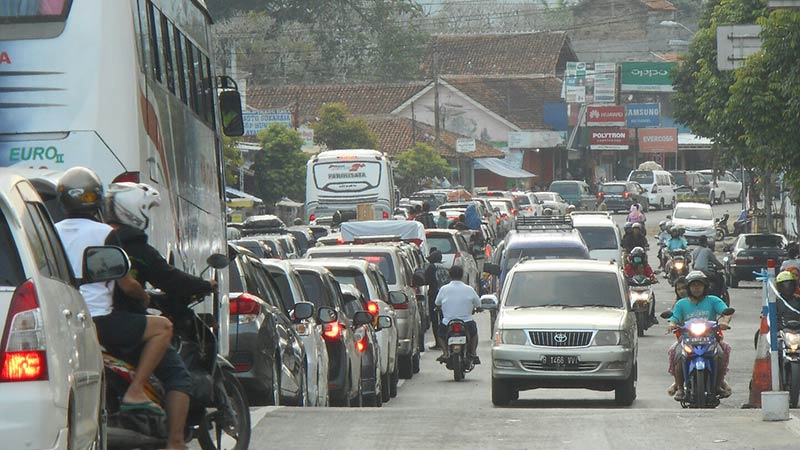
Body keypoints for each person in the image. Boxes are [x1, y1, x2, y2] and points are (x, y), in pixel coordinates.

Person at [54, 168, 174, 419]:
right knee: (163, 327)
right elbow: (126, 284)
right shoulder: (104, 233)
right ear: (97, 198)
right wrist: (144, 297)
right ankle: (136, 389)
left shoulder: (50, 231)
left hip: (60, 320)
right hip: (99, 321)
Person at [105, 182, 218, 449]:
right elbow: (168, 278)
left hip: (90, 322)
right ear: (136, 210)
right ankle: (175, 440)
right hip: (120, 322)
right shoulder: (132, 244)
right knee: (179, 375)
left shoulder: (100, 237)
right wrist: (203, 285)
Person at [666, 271, 733, 400]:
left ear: (705, 286)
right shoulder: (681, 304)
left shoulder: (713, 300)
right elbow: (674, 318)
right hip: (687, 339)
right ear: (688, 287)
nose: (696, 288)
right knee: (676, 353)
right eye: (693, 285)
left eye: (699, 285)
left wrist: (725, 322)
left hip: (711, 339)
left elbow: (726, 312)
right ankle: (679, 387)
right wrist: (672, 324)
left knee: (721, 353)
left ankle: (719, 384)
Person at [435, 265, 481, 364]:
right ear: (462, 276)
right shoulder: (469, 289)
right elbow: (478, 303)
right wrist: (478, 308)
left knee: (440, 334)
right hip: (467, 322)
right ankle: (473, 353)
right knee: (474, 334)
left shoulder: (444, 289)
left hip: (448, 322)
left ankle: (445, 352)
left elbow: (437, 303)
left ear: (450, 276)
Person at [424, 249, 447, 350]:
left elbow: (426, 280)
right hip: (446, 296)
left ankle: (438, 342)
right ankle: (445, 341)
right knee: (444, 319)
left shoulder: (431, 268)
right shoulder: (445, 268)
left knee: (434, 320)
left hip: (434, 295)